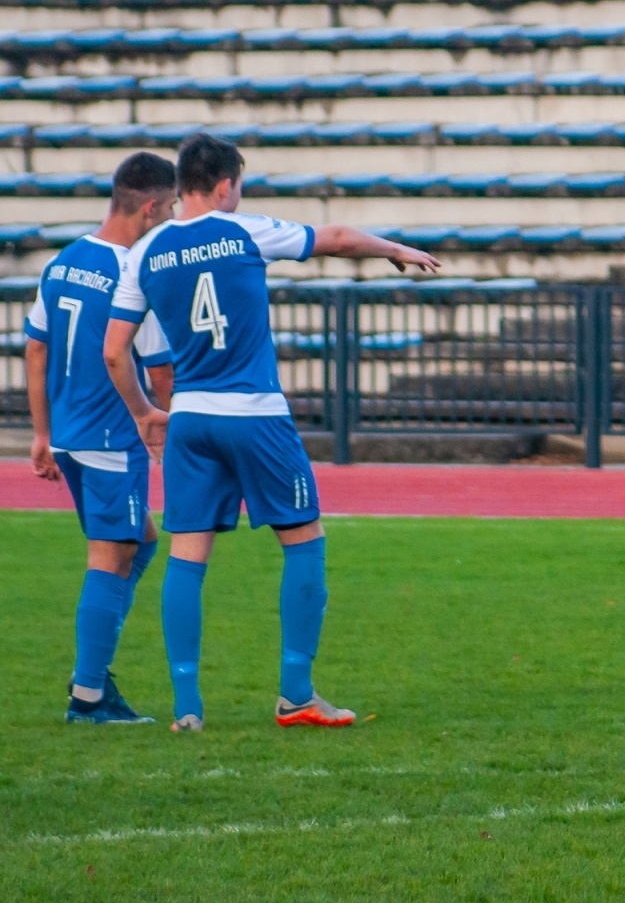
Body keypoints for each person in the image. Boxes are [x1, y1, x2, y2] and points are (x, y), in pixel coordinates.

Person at [103, 132, 440, 731]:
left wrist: (145, 414)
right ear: (226, 185)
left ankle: (187, 707)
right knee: (304, 540)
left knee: (188, 556)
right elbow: (333, 239)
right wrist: (395, 249)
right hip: (255, 414)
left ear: (180, 185)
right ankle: (296, 695)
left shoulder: (143, 255)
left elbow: (114, 353)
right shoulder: (242, 230)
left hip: (190, 418)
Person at [25, 152, 177, 724]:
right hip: (113, 436)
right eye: (167, 211)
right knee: (110, 557)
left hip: (69, 433)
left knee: (141, 539)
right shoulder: (135, 273)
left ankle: (95, 668)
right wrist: (163, 419)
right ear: (150, 206)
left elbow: (35, 349)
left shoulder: (64, 261)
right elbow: (158, 368)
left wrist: (41, 434)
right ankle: (88, 694)